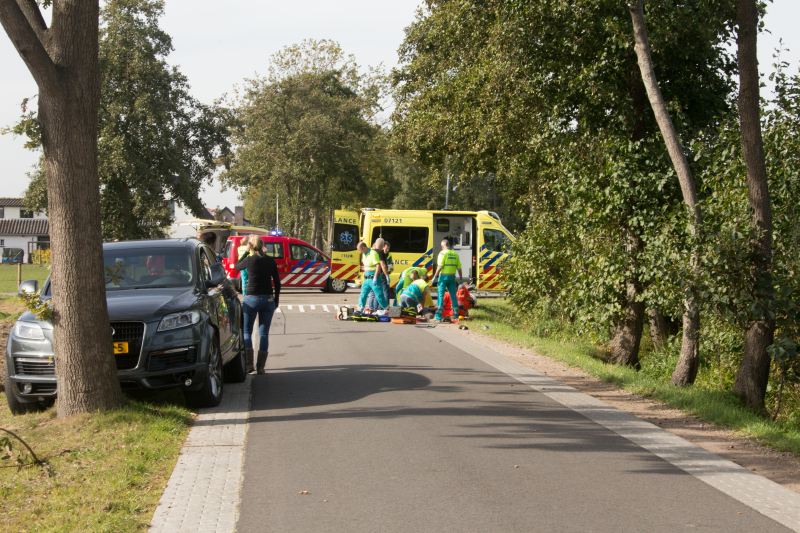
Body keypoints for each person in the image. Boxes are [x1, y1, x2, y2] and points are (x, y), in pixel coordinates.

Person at [235, 235, 281, 374]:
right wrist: (276, 301)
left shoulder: (249, 260)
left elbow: (238, 265)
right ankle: (261, 367)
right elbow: (278, 283)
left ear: (250, 246)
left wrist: (246, 251)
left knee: (247, 332)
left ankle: (249, 365)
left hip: (251, 299)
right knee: (264, 334)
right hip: (267, 299)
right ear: (262, 245)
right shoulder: (271, 261)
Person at [431, 239, 462, 323]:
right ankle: (455, 315)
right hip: (452, 278)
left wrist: (435, 276)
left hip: (443, 278)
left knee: (441, 295)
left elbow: (440, 266)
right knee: (453, 296)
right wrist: (461, 279)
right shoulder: (455, 254)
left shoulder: (442, 253)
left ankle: (438, 316)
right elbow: (459, 268)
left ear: (442, 246)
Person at [357, 239, 389, 312]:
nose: (359, 251)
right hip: (366, 279)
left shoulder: (373, 253)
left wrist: (375, 276)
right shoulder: (364, 254)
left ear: (364, 248)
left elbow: (378, 265)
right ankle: (361, 307)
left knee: (379, 295)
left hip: (374, 278)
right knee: (363, 294)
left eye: (359, 250)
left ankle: (387, 309)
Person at [367, 240, 392, 310]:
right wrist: (387, 275)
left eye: (388, 249)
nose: (387, 250)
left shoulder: (371, 252)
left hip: (372, 274)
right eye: (386, 248)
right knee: (383, 293)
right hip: (380, 274)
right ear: (382, 246)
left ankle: (374, 309)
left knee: (375, 293)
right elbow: (382, 265)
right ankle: (384, 309)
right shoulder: (381, 253)